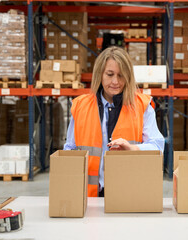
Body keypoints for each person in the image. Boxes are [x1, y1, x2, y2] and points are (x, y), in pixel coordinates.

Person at [64, 46, 165, 197]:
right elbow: (69, 149)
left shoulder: (142, 106)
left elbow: (158, 146)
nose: (115, 82)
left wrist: (132, 148)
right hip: (89, 196)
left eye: (121, 75)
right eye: (110, 74)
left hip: (126, 193)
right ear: (100, 74)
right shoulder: (81, 106)